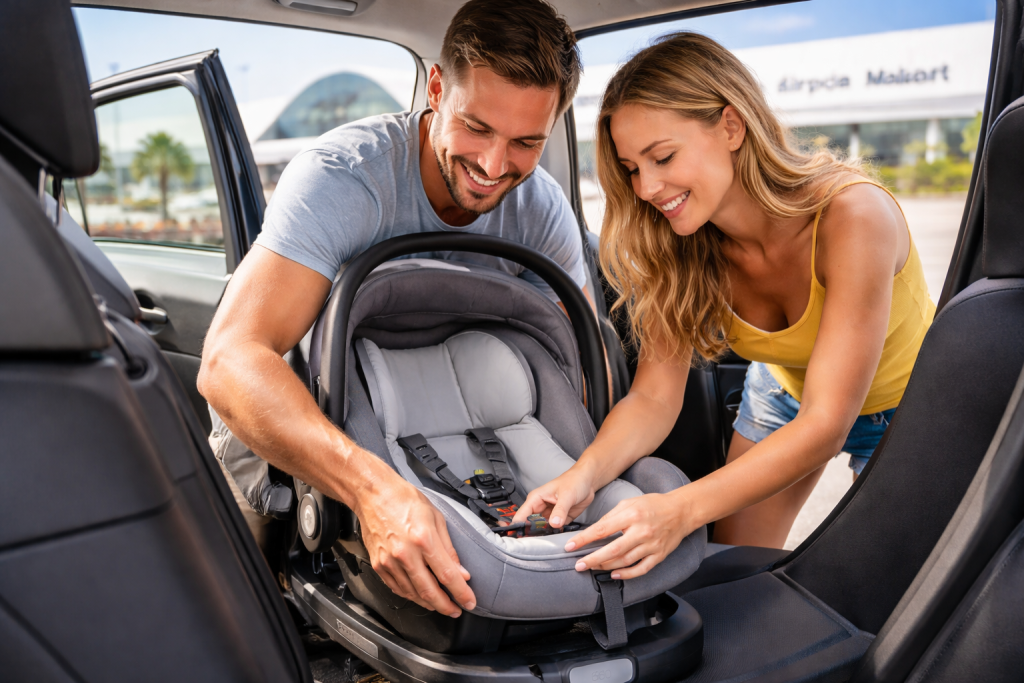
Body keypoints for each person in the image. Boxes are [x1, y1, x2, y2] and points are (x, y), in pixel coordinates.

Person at [199, 0, 587, 620]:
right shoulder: (346, 179)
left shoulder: (540, 209)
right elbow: (229, 360)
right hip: (305, 418)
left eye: (526, 142)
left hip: (463, 421)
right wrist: (372, 490)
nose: (494, 166)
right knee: (247, 616)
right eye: (477, 127)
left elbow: (572, 358)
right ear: (436, 88)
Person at [512, 32, 936, 576]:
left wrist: (678, 510)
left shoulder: (854, 217)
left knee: (889, 590)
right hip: (784, 391)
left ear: (731, 127)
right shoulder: (679, 245)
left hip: (905, 403)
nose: (647, 188)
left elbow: (827, 421)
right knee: (731, 573)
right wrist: (582, 476)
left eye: (663, 157)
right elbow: (653, 399)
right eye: (633, 168)